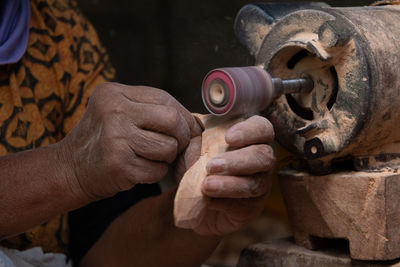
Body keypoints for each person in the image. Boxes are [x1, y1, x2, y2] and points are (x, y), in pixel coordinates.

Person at [0, 0, 276, 266]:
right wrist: (68, 168)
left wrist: (195, 210)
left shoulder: (56, 24)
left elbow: (102, 254)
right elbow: (76, 167)